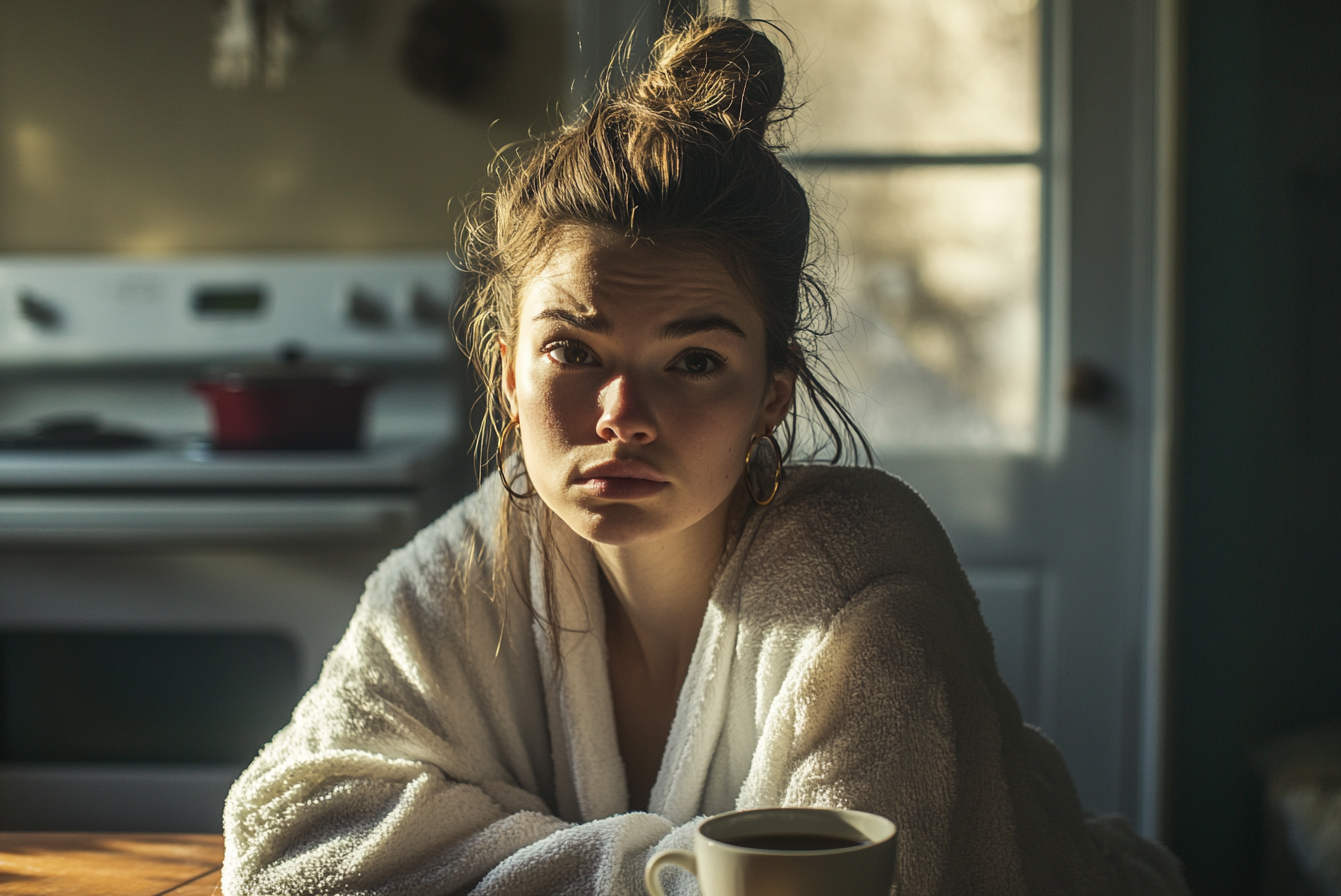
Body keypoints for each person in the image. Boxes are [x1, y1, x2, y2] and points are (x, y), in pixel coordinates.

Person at [222, 16, 1189, 896]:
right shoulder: (465, 569)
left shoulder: (867, 589)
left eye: (694, 360)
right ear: (506, 374)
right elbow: (283, 845)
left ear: (771, 394)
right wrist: (670, 872)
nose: (624, 414)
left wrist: (475, 863)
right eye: (573, 349)